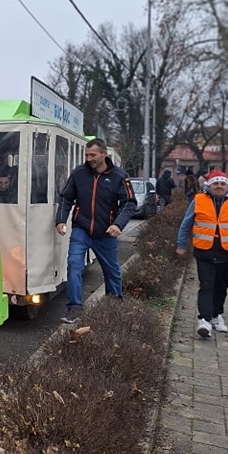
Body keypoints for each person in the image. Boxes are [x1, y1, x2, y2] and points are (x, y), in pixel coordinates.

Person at [54, 138, 137, 324]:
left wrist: (118, 224)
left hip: (106, 232)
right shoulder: (78, 174)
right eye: (87, 155)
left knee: (112, 270)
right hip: (81, 229)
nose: (89, 159)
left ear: (104, 154)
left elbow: (129, 203)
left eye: (93, 155)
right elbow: (66, 198)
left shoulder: (119, 176)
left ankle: (114, 305)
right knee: (74, 264)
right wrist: (60, 220)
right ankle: (74, 308)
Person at [176, 170, 228, 339]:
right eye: (215, 183)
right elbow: (186, 224)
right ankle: (204, 320)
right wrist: (181, 245)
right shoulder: (198, 200)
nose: (219, 186)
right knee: (207, 285)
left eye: (222, 183)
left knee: (221, 286)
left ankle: (216, 314)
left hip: (227, 252)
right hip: (204, 252)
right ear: (208, 186)